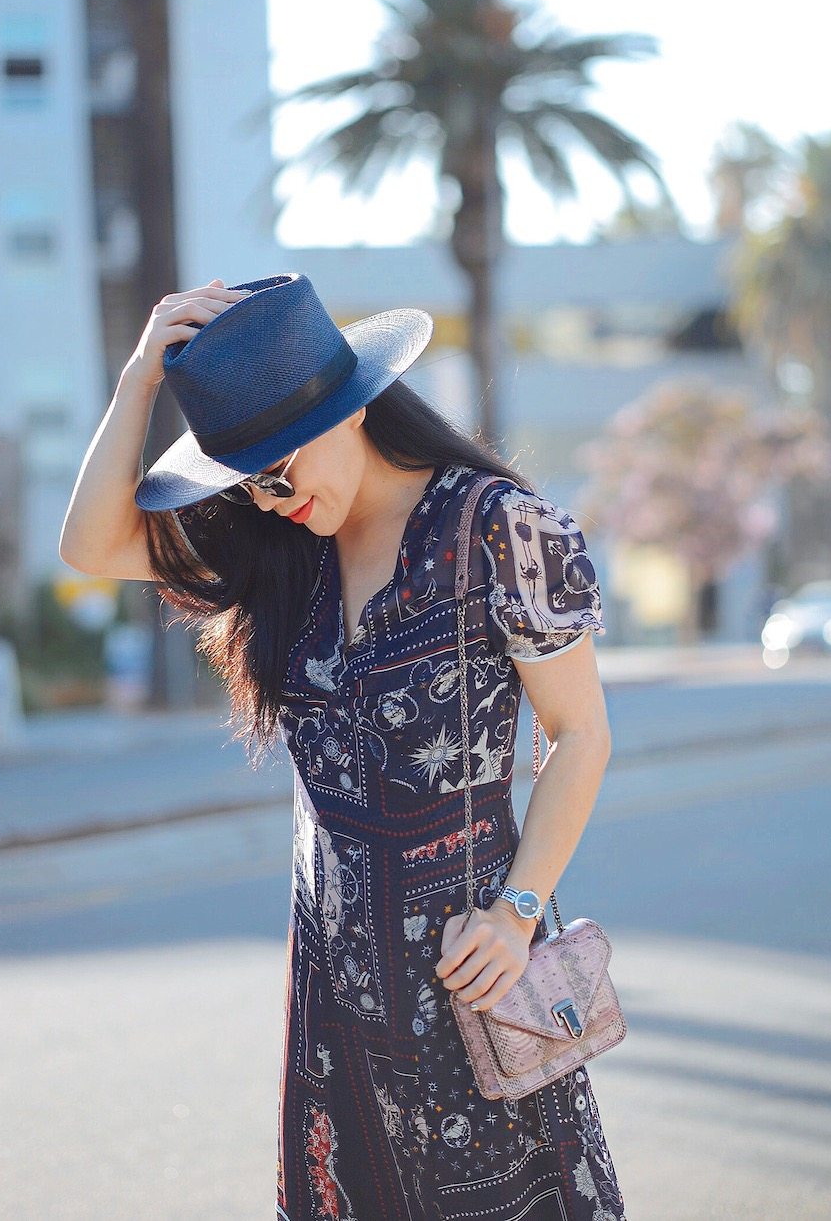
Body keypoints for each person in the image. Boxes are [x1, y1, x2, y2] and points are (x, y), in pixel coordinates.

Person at [60, 272, 627, 1221]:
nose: (272, 499)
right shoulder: (282, 551)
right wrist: (138, 383)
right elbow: (89, 547)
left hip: (469, 976)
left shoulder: (498, 529)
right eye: (248, 481)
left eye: (279, 472)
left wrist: (518, 913)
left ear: (347, 410)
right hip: (334, 1002)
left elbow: (581, 738)